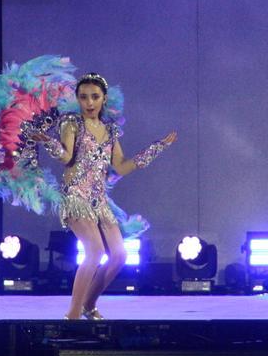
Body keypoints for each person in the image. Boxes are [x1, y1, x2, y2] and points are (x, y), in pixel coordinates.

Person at [33, 73, 175, 320]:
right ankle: (73, 315)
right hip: (76, 196)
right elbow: (67, 158)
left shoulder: (110, 130)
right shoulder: (71, 123)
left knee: (119, 256)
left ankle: (89, 305)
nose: (89, 103)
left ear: (104, 99)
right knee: (95, 252)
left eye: (94, 97)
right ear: (77, 99)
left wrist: (156, 148)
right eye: (83, 97)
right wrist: (48, 141)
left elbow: (120, 166)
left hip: (99, 201)